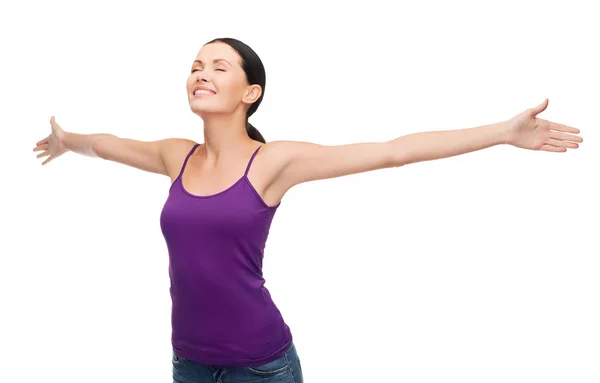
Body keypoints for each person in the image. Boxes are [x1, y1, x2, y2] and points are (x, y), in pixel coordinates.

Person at [33, 37, 583, 383]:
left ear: (251, 93)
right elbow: (105, 143)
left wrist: (503, 133)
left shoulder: (272, 163)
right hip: (188, 363)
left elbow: (394, 150)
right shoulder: (177, 156)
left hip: (261, 365)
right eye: (196, 65)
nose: (201, 72)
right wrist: (66, 140)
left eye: (219, 67)